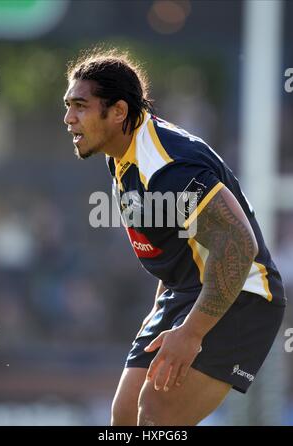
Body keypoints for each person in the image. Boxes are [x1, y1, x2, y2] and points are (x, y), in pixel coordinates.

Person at [63, 47, 286, 426]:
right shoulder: (118, 153)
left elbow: (238, 244)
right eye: (68, 105)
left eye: (80, 106)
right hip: (184, 293)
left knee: (157, 414)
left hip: (241, 293)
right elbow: (179, 249)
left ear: (118, 112)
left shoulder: (168, 168)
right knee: (125, 419)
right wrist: (165, 308)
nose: (68, 119)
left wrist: (192, 331)